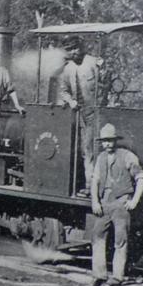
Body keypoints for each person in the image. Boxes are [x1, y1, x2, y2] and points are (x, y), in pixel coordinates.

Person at [88, 123, 143, 286]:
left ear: (115, 141)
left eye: (110, 140)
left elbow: (142, 178)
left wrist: (134, 201)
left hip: (121, 203)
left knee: (120, 241)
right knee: (97, 238)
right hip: (104, 203)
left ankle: (117, 276)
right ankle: (99, 275)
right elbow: (95, 180)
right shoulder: (100, 158)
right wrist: (95, 201)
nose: (107, 144)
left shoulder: (127, 156)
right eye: (104, 141)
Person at [56, 35, 105, 189]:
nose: (73, 53)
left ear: (80, 48)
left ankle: (95, 185)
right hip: (80, 114)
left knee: (94, 148)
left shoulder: (93, 63)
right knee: (84, 149)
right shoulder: (68, 69)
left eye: (74, 49)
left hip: (96, 112)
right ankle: (88, 184)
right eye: (69, 50)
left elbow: (104, 85)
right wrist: (71, 101)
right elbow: (63, 91)